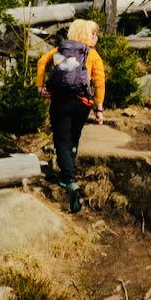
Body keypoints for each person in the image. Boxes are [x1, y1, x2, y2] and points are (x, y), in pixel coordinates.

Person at [37, 18, 106, 212]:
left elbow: (42, 62)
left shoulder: (60, 49)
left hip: (60, 101)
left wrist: (40, 87)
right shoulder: (92, 55)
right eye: (94, 34)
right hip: (82, 104)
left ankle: (70, 181)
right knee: (73, 139)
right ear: (88, 34)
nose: (96, 38)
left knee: (62, 142)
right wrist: (98, 110)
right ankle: (68, 175)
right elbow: (99, 82)